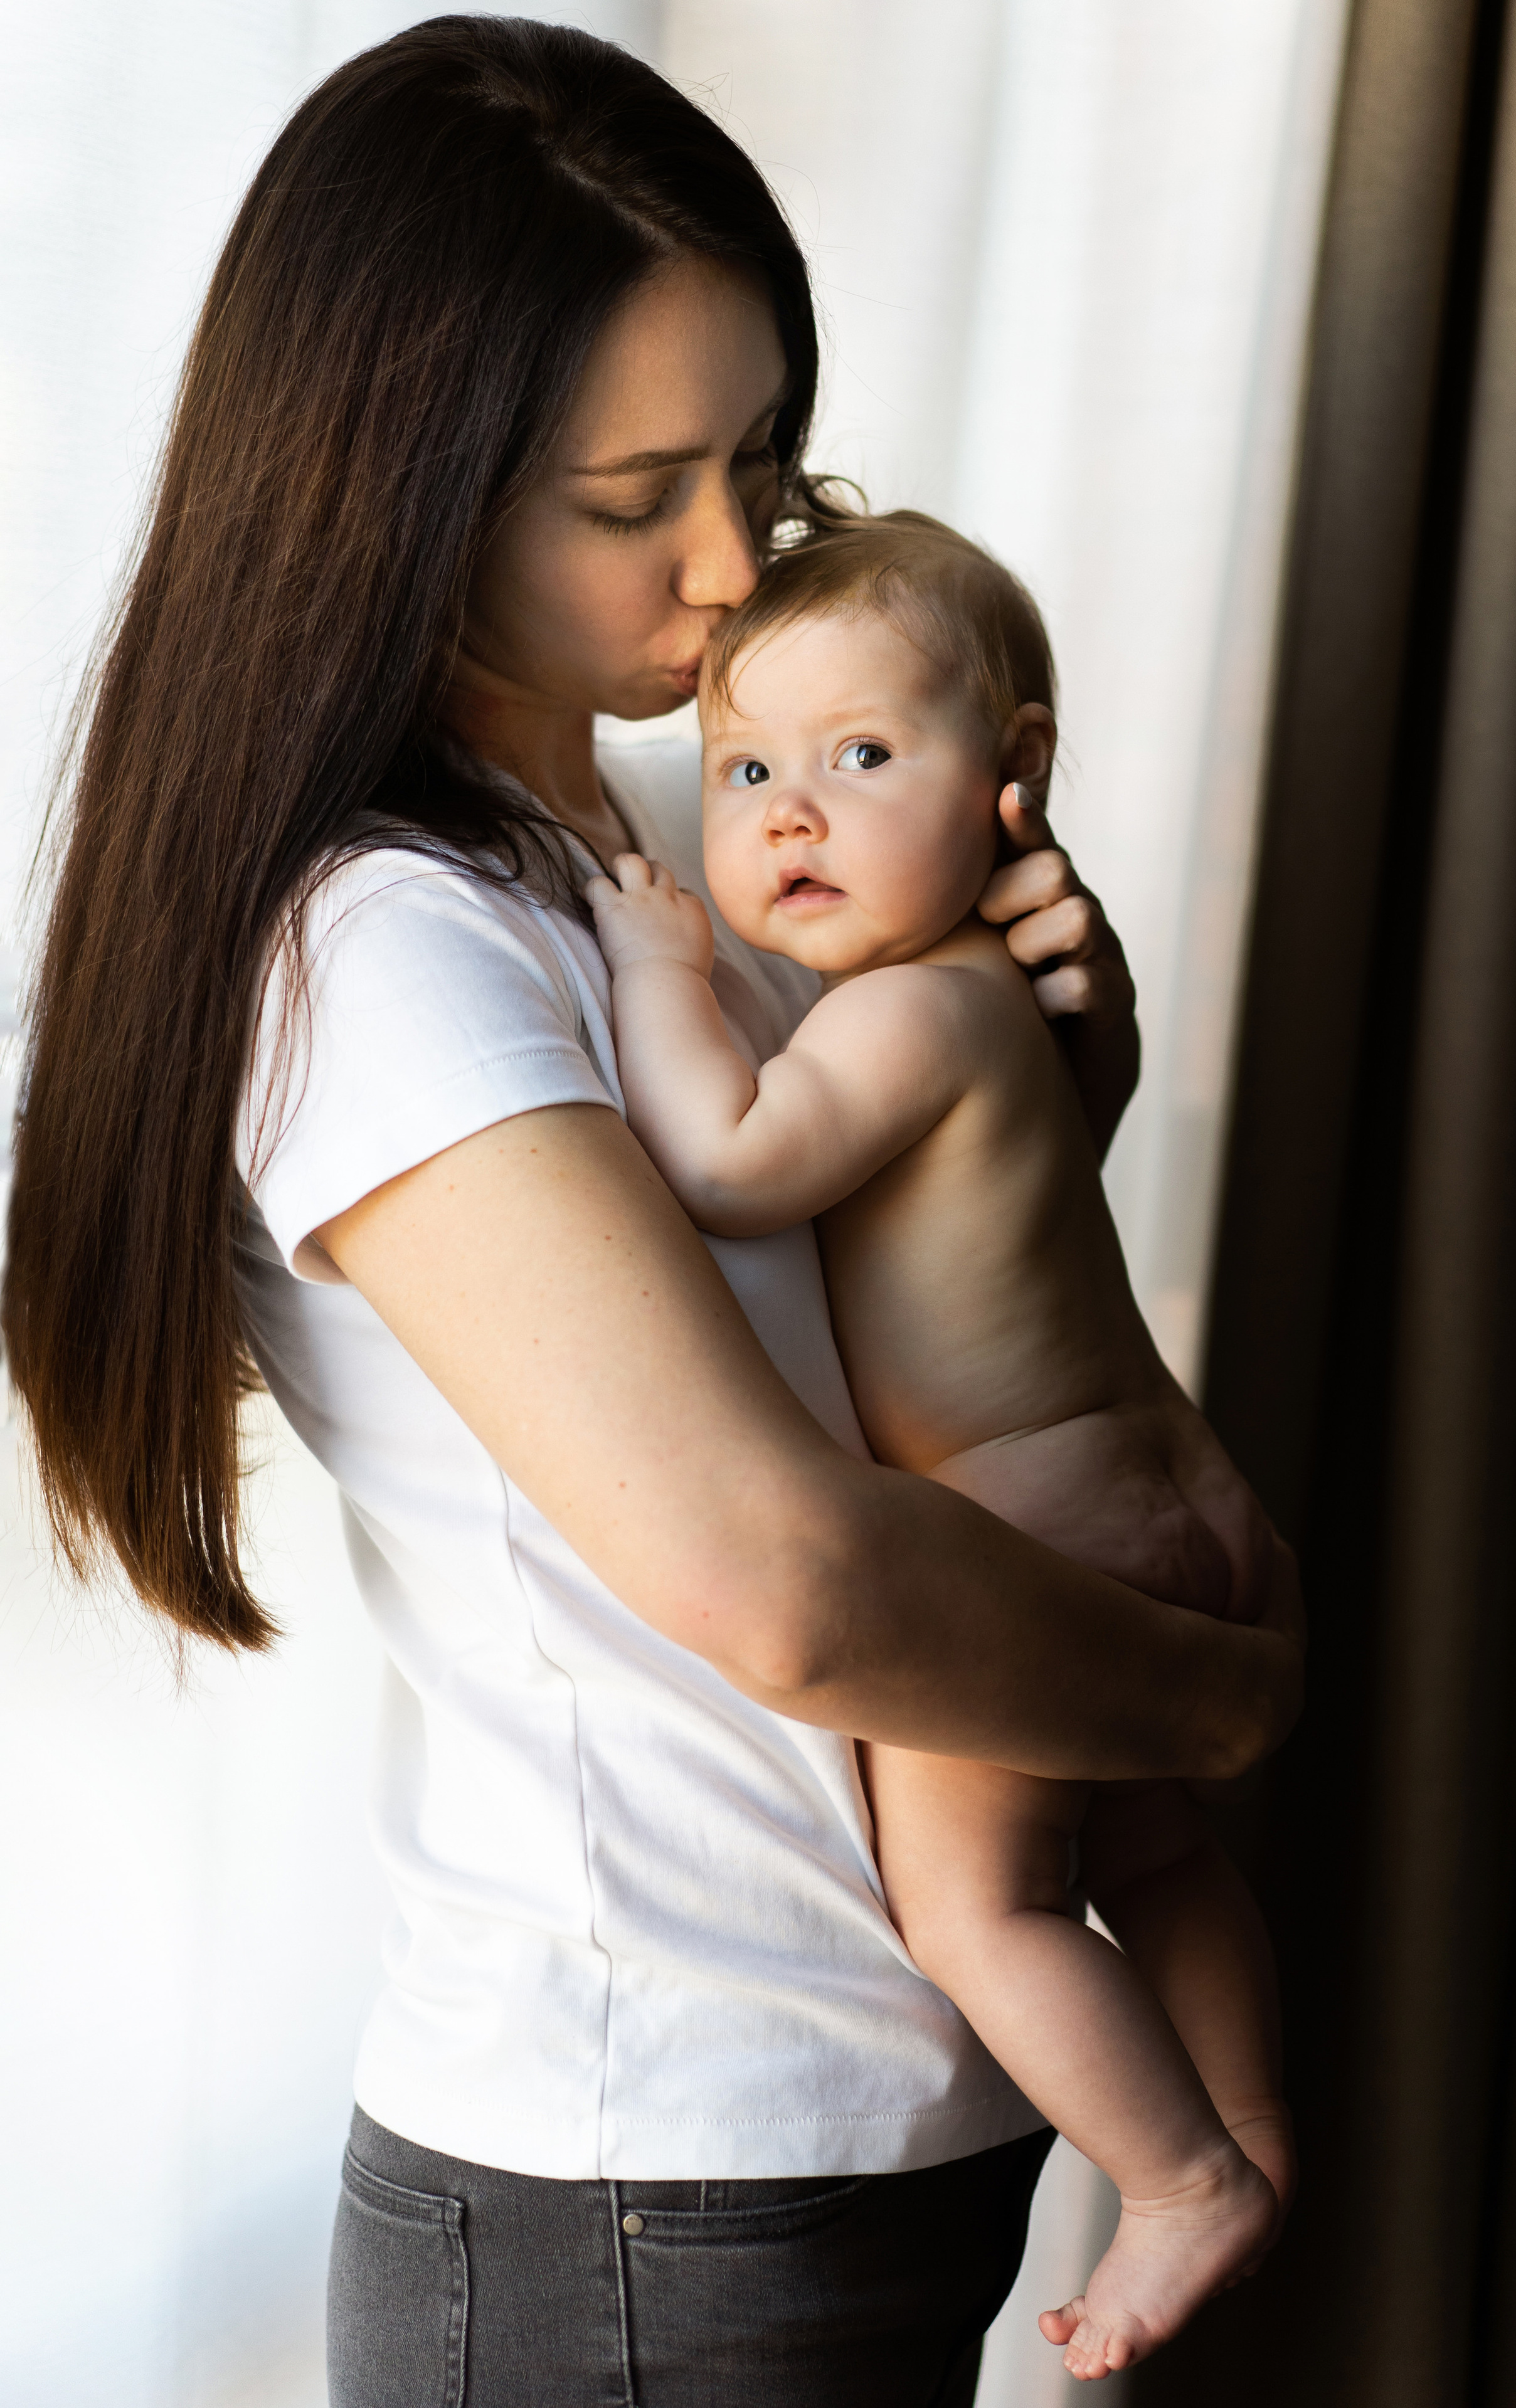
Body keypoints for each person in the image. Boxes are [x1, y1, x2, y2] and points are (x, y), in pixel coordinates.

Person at [0, 23, 1302, 2407]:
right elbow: (777, 1578)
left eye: (766, 459)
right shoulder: (391, 954)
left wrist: (1037, 1075)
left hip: (837, 2132)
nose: (739, 566)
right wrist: (1216, 1696)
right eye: (639, 495)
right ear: (405, 492)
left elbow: (885, 1344)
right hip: (652, 2191)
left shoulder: (673, 849)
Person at [589, 508, 1296, 2382]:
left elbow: (732, 1164)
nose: (789, 815)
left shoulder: (915, 1015)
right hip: (1171, 1484)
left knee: (980, 1904)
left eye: (860, 756)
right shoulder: (1012, 1007)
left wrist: (662, 972)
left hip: (1033, 1529)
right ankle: (1248, 2122)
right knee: (1155, 1861)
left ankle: (1176, 2180)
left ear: (1016, 774)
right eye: (743, 771)